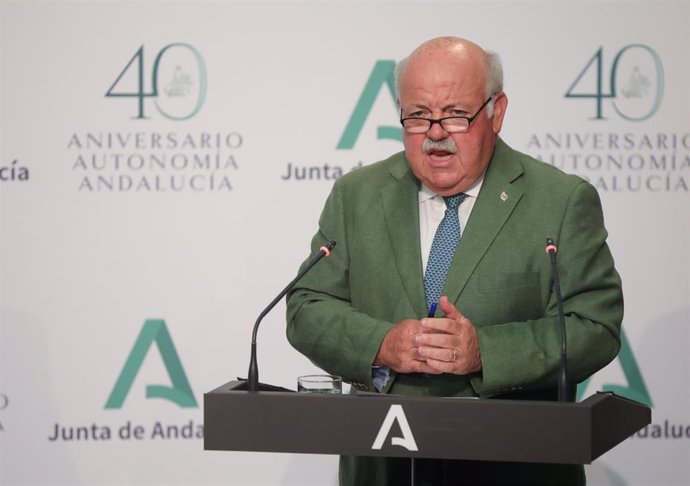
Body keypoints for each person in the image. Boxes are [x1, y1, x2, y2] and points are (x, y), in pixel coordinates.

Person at [286, 36, 623, 486]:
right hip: (384, 466)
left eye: (456, 115)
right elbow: (307, 307)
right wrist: (382, 343)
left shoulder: (559, 202)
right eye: (418, 116)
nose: (436, 133)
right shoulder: (357, 196)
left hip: (515, 466)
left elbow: (594, 326)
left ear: (496, 112)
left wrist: (486, 352)